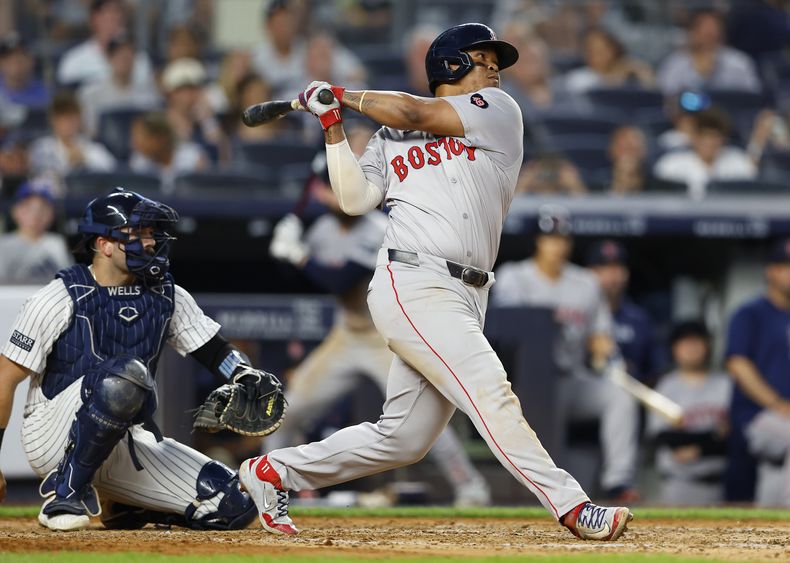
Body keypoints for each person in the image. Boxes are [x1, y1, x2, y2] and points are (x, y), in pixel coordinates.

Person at [237, 23, 633, 540]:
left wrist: (343, 96)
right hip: (411, 279)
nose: (496, 69)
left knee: (404, 438)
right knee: (490, 391)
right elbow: (355, 200)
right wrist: (333, 127)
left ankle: (272, 471)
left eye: (497, 62)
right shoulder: (387, 137)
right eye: (485, 59)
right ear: (451, 64)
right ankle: (573, 506)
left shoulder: (497, 111)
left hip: (469, 292)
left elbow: (413, 111)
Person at [0, 187, 281, 531]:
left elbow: (214, 350)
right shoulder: (59, 296)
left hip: (124, 438)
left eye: (151, 233)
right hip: (53, 435)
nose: (150, 242)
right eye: (137, 234)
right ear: (103, 244)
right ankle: (66, 492)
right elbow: (5, 378)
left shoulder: (166, 293)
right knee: (126, 375)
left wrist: (242, 374)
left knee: (233, 503)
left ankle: (124, 506)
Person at [266, 158, 491, 507]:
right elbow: (294, 279)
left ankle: (470, 486)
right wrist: (283, 251)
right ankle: (272, 484)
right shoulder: (322, 229)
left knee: (420, 417)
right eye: (331, 190)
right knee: (288, 409)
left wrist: (297, 256)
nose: (338, 197)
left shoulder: (379, 229)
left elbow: (339, 279)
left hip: (385, 337)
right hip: (345, 335)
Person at [492, 207, 640, 502]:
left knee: (620, 397)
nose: (557, 245)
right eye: (550, 238)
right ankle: (539, 491)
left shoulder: (586, 282)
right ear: (538, 241)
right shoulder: (514, 277)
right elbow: (505, 334)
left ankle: (617, 482)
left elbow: (600, 335)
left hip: (571, 377)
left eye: (563, 239)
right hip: (526, 386)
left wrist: (604, 350)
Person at [725, 238, 790, 507]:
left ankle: (770, 537)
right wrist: (778, 404)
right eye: (786, 266)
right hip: (755, 416)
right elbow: (738, 365)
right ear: (770, 271)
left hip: (783, 423)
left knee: (775, 479)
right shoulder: (750, 313)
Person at [646, 320, 731, 506]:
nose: (691, 348)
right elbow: (662, 437)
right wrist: (712, 437)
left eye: (697, 341)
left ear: (707, 345)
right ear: (674, 348)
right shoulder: (665, 387)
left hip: (718, 486)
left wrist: (698, 448)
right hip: (676, 485)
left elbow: (732, 439)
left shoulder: (726, 385)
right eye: (685, 342)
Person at [587, 240, 662, 384]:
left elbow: (653, 371)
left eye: (617, 268)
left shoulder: (639, 319)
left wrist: (631, 371)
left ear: (626, 273)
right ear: (589, 274)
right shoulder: (578, 316)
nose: (611, 276)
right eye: (603, 269)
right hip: (582, 394)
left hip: (628, 392)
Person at [652, 108, 756, 199]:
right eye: (705, 136)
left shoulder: (738, 161)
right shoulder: (671, 164)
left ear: (723, 139)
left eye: (715, 136)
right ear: (694, 137)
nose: (710, 142)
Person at [656, 8, 761, 96]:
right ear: (691, 32)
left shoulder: (739, 62)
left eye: (713, 30)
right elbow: (664, 97)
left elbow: (753, 99)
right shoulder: (675, 64)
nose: (709, 35)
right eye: (704, 30)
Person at [77, 34, 161, 139]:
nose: (124, 59)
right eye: (119, 54)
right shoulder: (91, 94)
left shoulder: (149, 94)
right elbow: (90, 132)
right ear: (109, 58)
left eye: (129, 54)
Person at [56, 0, 154, 88]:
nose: (115, 18)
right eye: (108, 13)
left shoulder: (140, 59)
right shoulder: (73, 61)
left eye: (118, 12)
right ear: (93, 19)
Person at [28, 91, 116, 178]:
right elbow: (37, 176)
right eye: (61, 118)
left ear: (79, 119)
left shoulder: (92, 149)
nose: (67, 123)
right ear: (52, 120)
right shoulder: (41, 148)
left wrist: (85, 160)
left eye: (71, 117)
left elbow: (112, 171)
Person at [0, 181, 72, 284]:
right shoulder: (3, 245)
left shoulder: (57, 243)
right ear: (16, 211)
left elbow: (69, 281)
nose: (35, 214)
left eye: (42, 209)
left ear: (51, 214)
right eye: (28, 208)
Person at [129, 112, 208, 192]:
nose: (135, 144)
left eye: (141, 137)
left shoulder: (192, 157)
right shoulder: (138, 162)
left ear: (160, 138)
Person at [563, 27, 654, 95]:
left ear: (613, 49)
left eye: (601, 49)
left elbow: (651, 94)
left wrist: (641, 72)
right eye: (590, 50)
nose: (596, 55)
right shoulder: (578, 77)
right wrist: (616, 77)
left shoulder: (631, 73)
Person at [0, 32, 48, 108]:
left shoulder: (45, 92)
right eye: (8, 56)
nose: (15, 60)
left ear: (32, 60)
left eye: (22, 55)